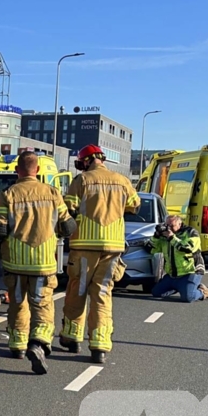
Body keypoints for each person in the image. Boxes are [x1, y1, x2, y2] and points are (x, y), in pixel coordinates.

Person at [0, 152, 77, 374]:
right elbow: (68, 227)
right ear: (37, 170)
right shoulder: (53, 193)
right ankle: (38, 343)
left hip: (15, 263)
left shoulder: (7, 194)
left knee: (18, 303)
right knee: (42, 305)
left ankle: (18, 345)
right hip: (43, 264)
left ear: (17, 170)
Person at [60, 144, 141, 363]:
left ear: (86, 161)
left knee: (78, 292)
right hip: (113, 248)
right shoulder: (122, 180)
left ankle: (72, 337)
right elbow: (135, 205)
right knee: (102, 295)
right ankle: (99, 346)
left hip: (84, 246)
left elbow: (68, 208)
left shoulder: (82, 180)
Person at [150, 215, 208, 302]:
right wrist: (156, 236)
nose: (169, 228)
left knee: (188, 297)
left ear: (179, 224)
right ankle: (183, 287)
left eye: (172, 226)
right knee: (156, 293)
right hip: (173, 274)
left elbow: (187, 248)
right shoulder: (165, 235)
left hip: (190, 272)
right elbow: (152, 249)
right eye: (167, 225)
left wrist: (172, 237)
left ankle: (204, 292)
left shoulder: (191, 232)